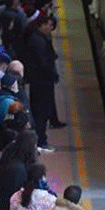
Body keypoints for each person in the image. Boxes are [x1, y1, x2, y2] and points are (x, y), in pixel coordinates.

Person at [24, 14, 59, 152]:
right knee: (41, 112)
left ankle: (41, 139)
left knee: (41, 111)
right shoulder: (39, 41)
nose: (51, 28)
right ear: (43, 25)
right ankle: (41, 141)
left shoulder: (37, 38)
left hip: (39, 80)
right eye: (49, 25)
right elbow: (43, 63)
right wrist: (53, 74)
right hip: (42, 81)